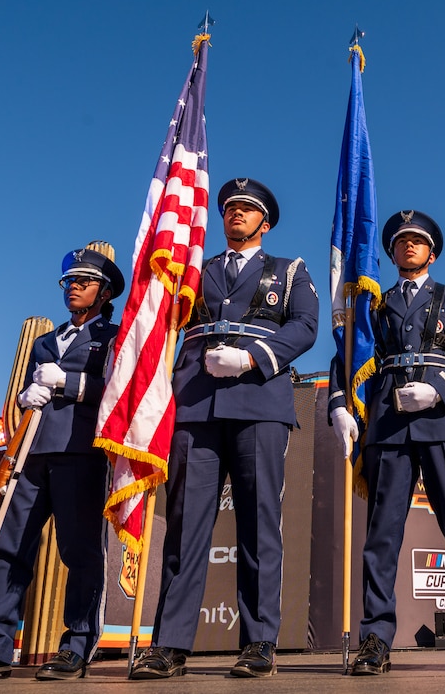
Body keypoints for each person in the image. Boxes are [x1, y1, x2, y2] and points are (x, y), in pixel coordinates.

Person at [130, 178, 318, 680]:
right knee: (186, 528)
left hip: (258, 400)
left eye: (248, 209)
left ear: (266, 222)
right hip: (195, 404)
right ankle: (169, 644)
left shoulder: (290, 270)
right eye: (231, 207)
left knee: (259, 526)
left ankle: (258, 642)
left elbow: (304, 326)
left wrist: (253, 356)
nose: (236, 213)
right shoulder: (196, 270)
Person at [329, 211, 445, 675]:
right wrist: (339, 404)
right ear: (390, 252)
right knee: (381, 539)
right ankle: (375, 638)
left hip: (444, 421)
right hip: (389, 424)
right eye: (401, 241)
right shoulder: (376, 304)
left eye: (417, 241)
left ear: (432, 252)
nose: (408, 247)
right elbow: (348, 354)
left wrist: (440, 389)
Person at [0, 248, 124, 682]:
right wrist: (25, 397)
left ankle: (77, 646)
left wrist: (72, 383)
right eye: (69, 281)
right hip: (31, 454)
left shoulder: (115, 336)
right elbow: (27, 389)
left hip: (81, 452)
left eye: (83, 280)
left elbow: (121, 391)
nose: (73, 286)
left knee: (79, 552)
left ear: (106, 291)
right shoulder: (46, 341)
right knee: (8, 549)